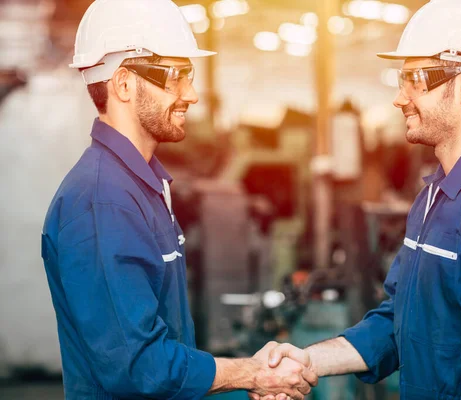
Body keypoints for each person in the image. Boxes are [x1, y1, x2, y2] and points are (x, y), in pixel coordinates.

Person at [252, 0, 461, 399]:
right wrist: (310, 361)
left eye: (415, 79)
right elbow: (401, 322)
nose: (400, 99)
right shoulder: (437, 194)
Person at [40, 0, 316, 399]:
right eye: (175, 76)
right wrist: (251, 374)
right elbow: (138, 368)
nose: (191, 94)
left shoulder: (141, 186)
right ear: (123, 84)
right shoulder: (103, 203)